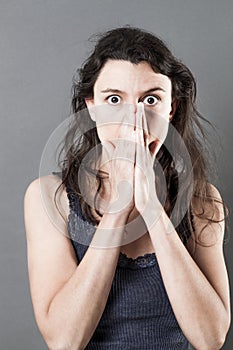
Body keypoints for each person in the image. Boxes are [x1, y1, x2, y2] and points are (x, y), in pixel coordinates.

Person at [24, 26, 231, 350]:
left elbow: (211, 338)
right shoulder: (49, 197)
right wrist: (120, 208)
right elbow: (65, 341)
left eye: (151, 99)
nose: (134, 119)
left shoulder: (202, 201)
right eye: (114, 99)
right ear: (92, 106)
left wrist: (152, 209)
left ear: (170, 109)